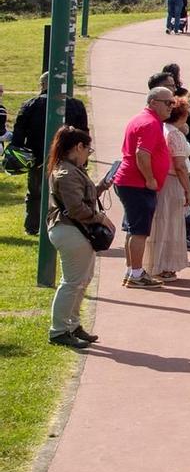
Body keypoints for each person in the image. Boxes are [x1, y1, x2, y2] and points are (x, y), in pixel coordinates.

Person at [44, 124, 112, 348]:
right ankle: (59, 330)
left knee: (81, 281)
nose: (87, 155)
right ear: (78, 146)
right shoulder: (66, 172)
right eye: (87, 150)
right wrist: (99, 217)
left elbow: (82, 199)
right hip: (69, 230)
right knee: (72, 283)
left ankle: (72, 324)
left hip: (73, 230)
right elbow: (76, 209)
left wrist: (101, 187)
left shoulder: (70, 169)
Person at [113, 80, 174, 289]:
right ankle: (136, 274)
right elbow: (142, 154)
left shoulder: (144, 120)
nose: (171, 107)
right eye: (168, 103)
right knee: (139, 230)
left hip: (130, 182)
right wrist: (150, 179)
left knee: (133, 228)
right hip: (137, 184)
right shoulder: (149, 123)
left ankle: (133, 270)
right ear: (154, 102)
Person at [14, 75, 89, 237]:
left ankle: (32, 226)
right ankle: (65, 223)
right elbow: (84, 133)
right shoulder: (76, 105)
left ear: (43, 85)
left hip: (37, 157)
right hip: (69, 159)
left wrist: (20, 152)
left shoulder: (30, 105)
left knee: (35, 193)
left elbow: (18, 134)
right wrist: (84, 159)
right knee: (68, 193)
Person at [144, 97, 190, 280]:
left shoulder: (164, 129)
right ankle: (165, 265)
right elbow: (180, 165)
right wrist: (188, 190)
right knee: (170, 224)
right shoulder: (175, 134)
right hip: (173, 182)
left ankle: (154, 263)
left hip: (163, 180)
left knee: (160, 222)